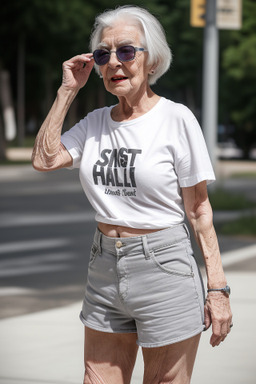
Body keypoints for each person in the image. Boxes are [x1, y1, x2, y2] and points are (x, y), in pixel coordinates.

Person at [32, 5, 232, 384]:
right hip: (104, 266)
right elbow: (45, 159)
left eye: (126, 51)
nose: (114, 63)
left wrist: (217, 289)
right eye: (104, 54)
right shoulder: (95, 123)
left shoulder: (176, 119)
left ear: (151, 60)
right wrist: (67, 89)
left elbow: (200, 210)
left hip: (165, 267)